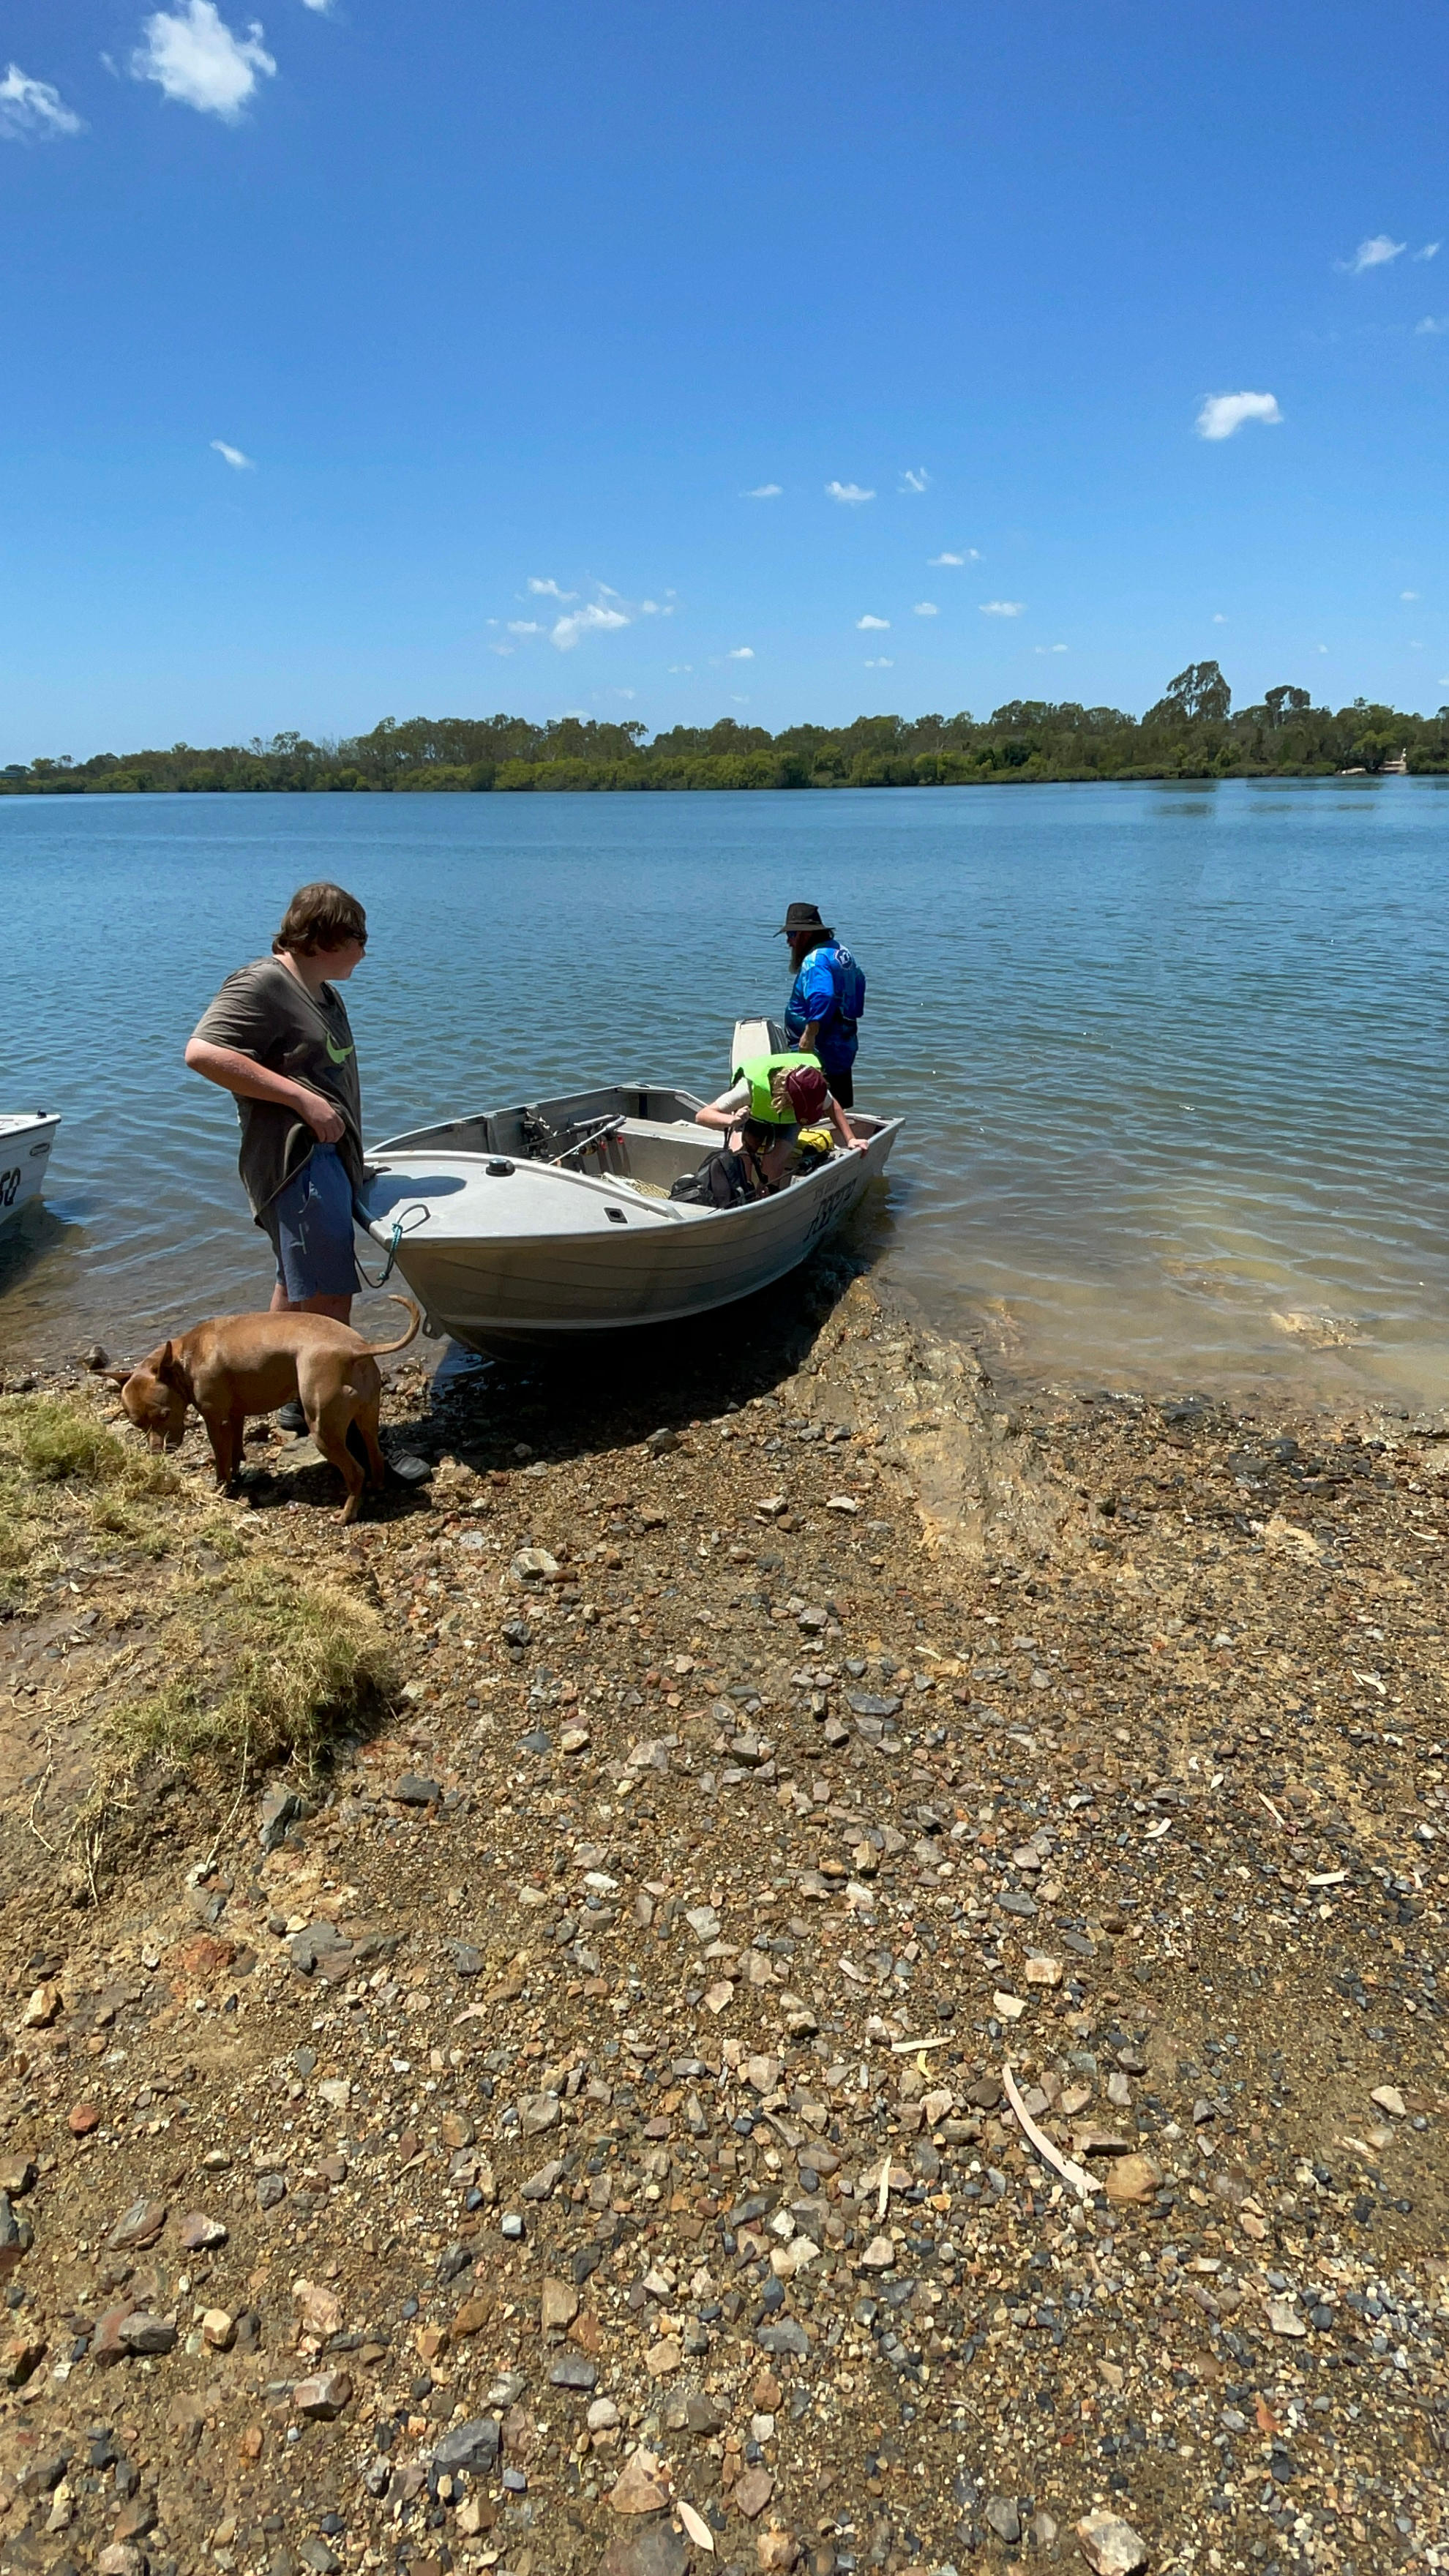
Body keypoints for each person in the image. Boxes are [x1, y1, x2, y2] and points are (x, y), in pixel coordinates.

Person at [184, 881, 369, 1428]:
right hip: (297, 1165)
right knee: (330, 1300)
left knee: (298, 1283)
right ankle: (340, 1423)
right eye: (359, 937)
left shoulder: (324, 994)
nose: (365, 950)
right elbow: (204, 1053)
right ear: (325, 937)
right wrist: (302, 1100)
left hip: (327, 1162)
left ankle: (276, 1394)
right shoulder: (263, 983)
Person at [697, 1048, 859, 1189]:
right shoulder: (749, 1088)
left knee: (774, 1164)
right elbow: (703, 1115)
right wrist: (732, 1120)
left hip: (788, 1121)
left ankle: (768, 1194)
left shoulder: (812, 1085)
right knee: (741, 1159)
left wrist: (851, 1139)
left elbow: (832, 1106)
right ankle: (742, 1194)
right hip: (752, 1116)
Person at [778, 902, 866, 1107]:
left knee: (810, 1105)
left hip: (818, 1050)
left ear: (805, 934)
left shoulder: (814, 960)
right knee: (839, 1105)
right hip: (843, 1043)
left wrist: (809, 1034)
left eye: (791, 934)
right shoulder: (840, 951)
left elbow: (823, 995)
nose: (789, 942)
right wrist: (851, 1015)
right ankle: (846, 1136)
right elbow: (860, 981)